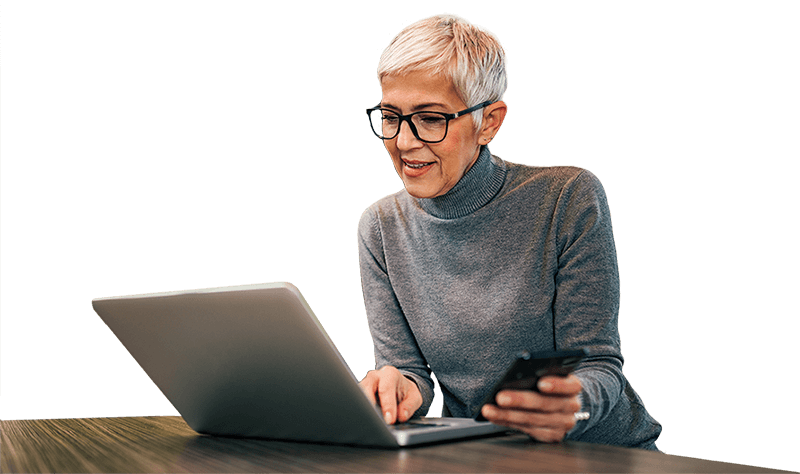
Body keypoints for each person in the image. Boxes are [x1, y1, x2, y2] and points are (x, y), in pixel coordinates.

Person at [357, 13, 661, 449]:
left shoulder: (566, 197)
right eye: (391, 116)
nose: (403, 142)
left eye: (430, 118)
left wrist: (572, 409)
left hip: (604, 453)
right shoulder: (381, 227)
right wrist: (398, 389)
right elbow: (412, 375)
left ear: (490, 121)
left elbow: (599, 365)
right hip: (485, 454)